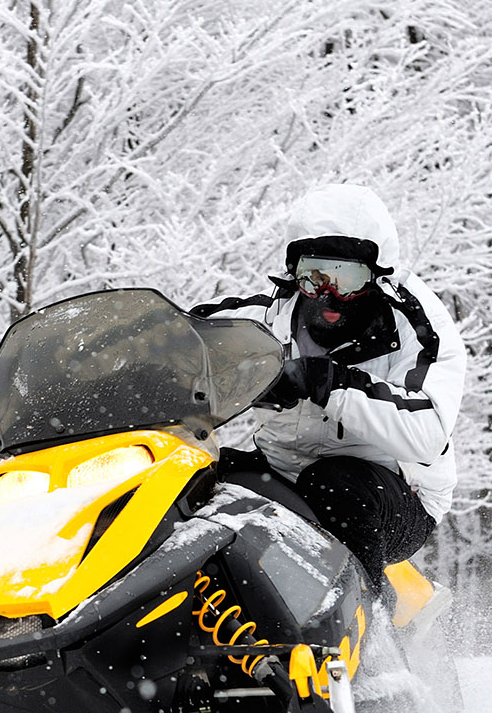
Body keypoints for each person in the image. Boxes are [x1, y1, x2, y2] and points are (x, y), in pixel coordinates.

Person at [192, 184, 466, 580]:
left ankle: (373, 626)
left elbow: (428, 434)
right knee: (193, 471)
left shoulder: (418, 329)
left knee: (334, 485)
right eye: (313, 276)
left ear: (377, 276)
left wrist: (327, 382)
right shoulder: (268, 319)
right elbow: (185, 337)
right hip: (284, 470)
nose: (328, 294)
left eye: (346, 278)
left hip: (400, 495)